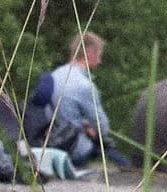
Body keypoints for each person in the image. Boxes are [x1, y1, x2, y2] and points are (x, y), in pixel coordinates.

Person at [50, 31, 123, 166]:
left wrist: (83, 122)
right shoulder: (85, 86)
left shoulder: (55, 75)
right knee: (122, 163)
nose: (100, 61)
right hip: (74, 149)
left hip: (51, 144)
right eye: (99, 55)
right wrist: (90, 127)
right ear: (90, 53)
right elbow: (103, 127)